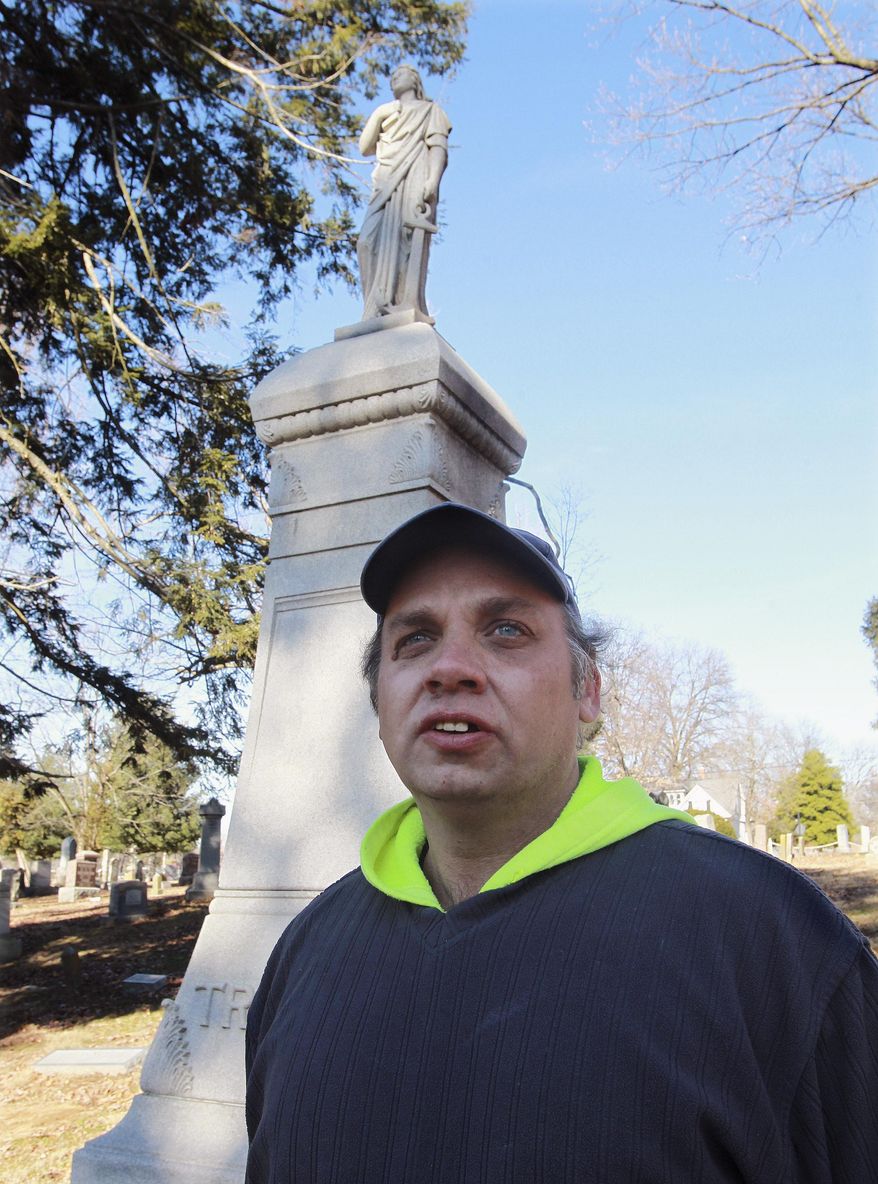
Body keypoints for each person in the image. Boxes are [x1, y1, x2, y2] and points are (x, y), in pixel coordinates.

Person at [245, 502, 878, 1183]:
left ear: (589, 692)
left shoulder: (773, 938)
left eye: (507, 630)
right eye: (415, 640)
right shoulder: (306, 952)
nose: (450, 668)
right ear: (380, 702)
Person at [356, 64, 451, 320]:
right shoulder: (385, 112)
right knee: (366, 242)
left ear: (416, 81)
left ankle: (404, 304)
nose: (396, 78)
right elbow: (365, 148)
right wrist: (377, 115)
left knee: (407, 241)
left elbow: (438, 147)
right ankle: (374, 306)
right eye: (393, 76)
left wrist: (432, 180)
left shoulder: (430, 111)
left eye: (402, 74)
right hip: (385, 182)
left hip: (415, 176)